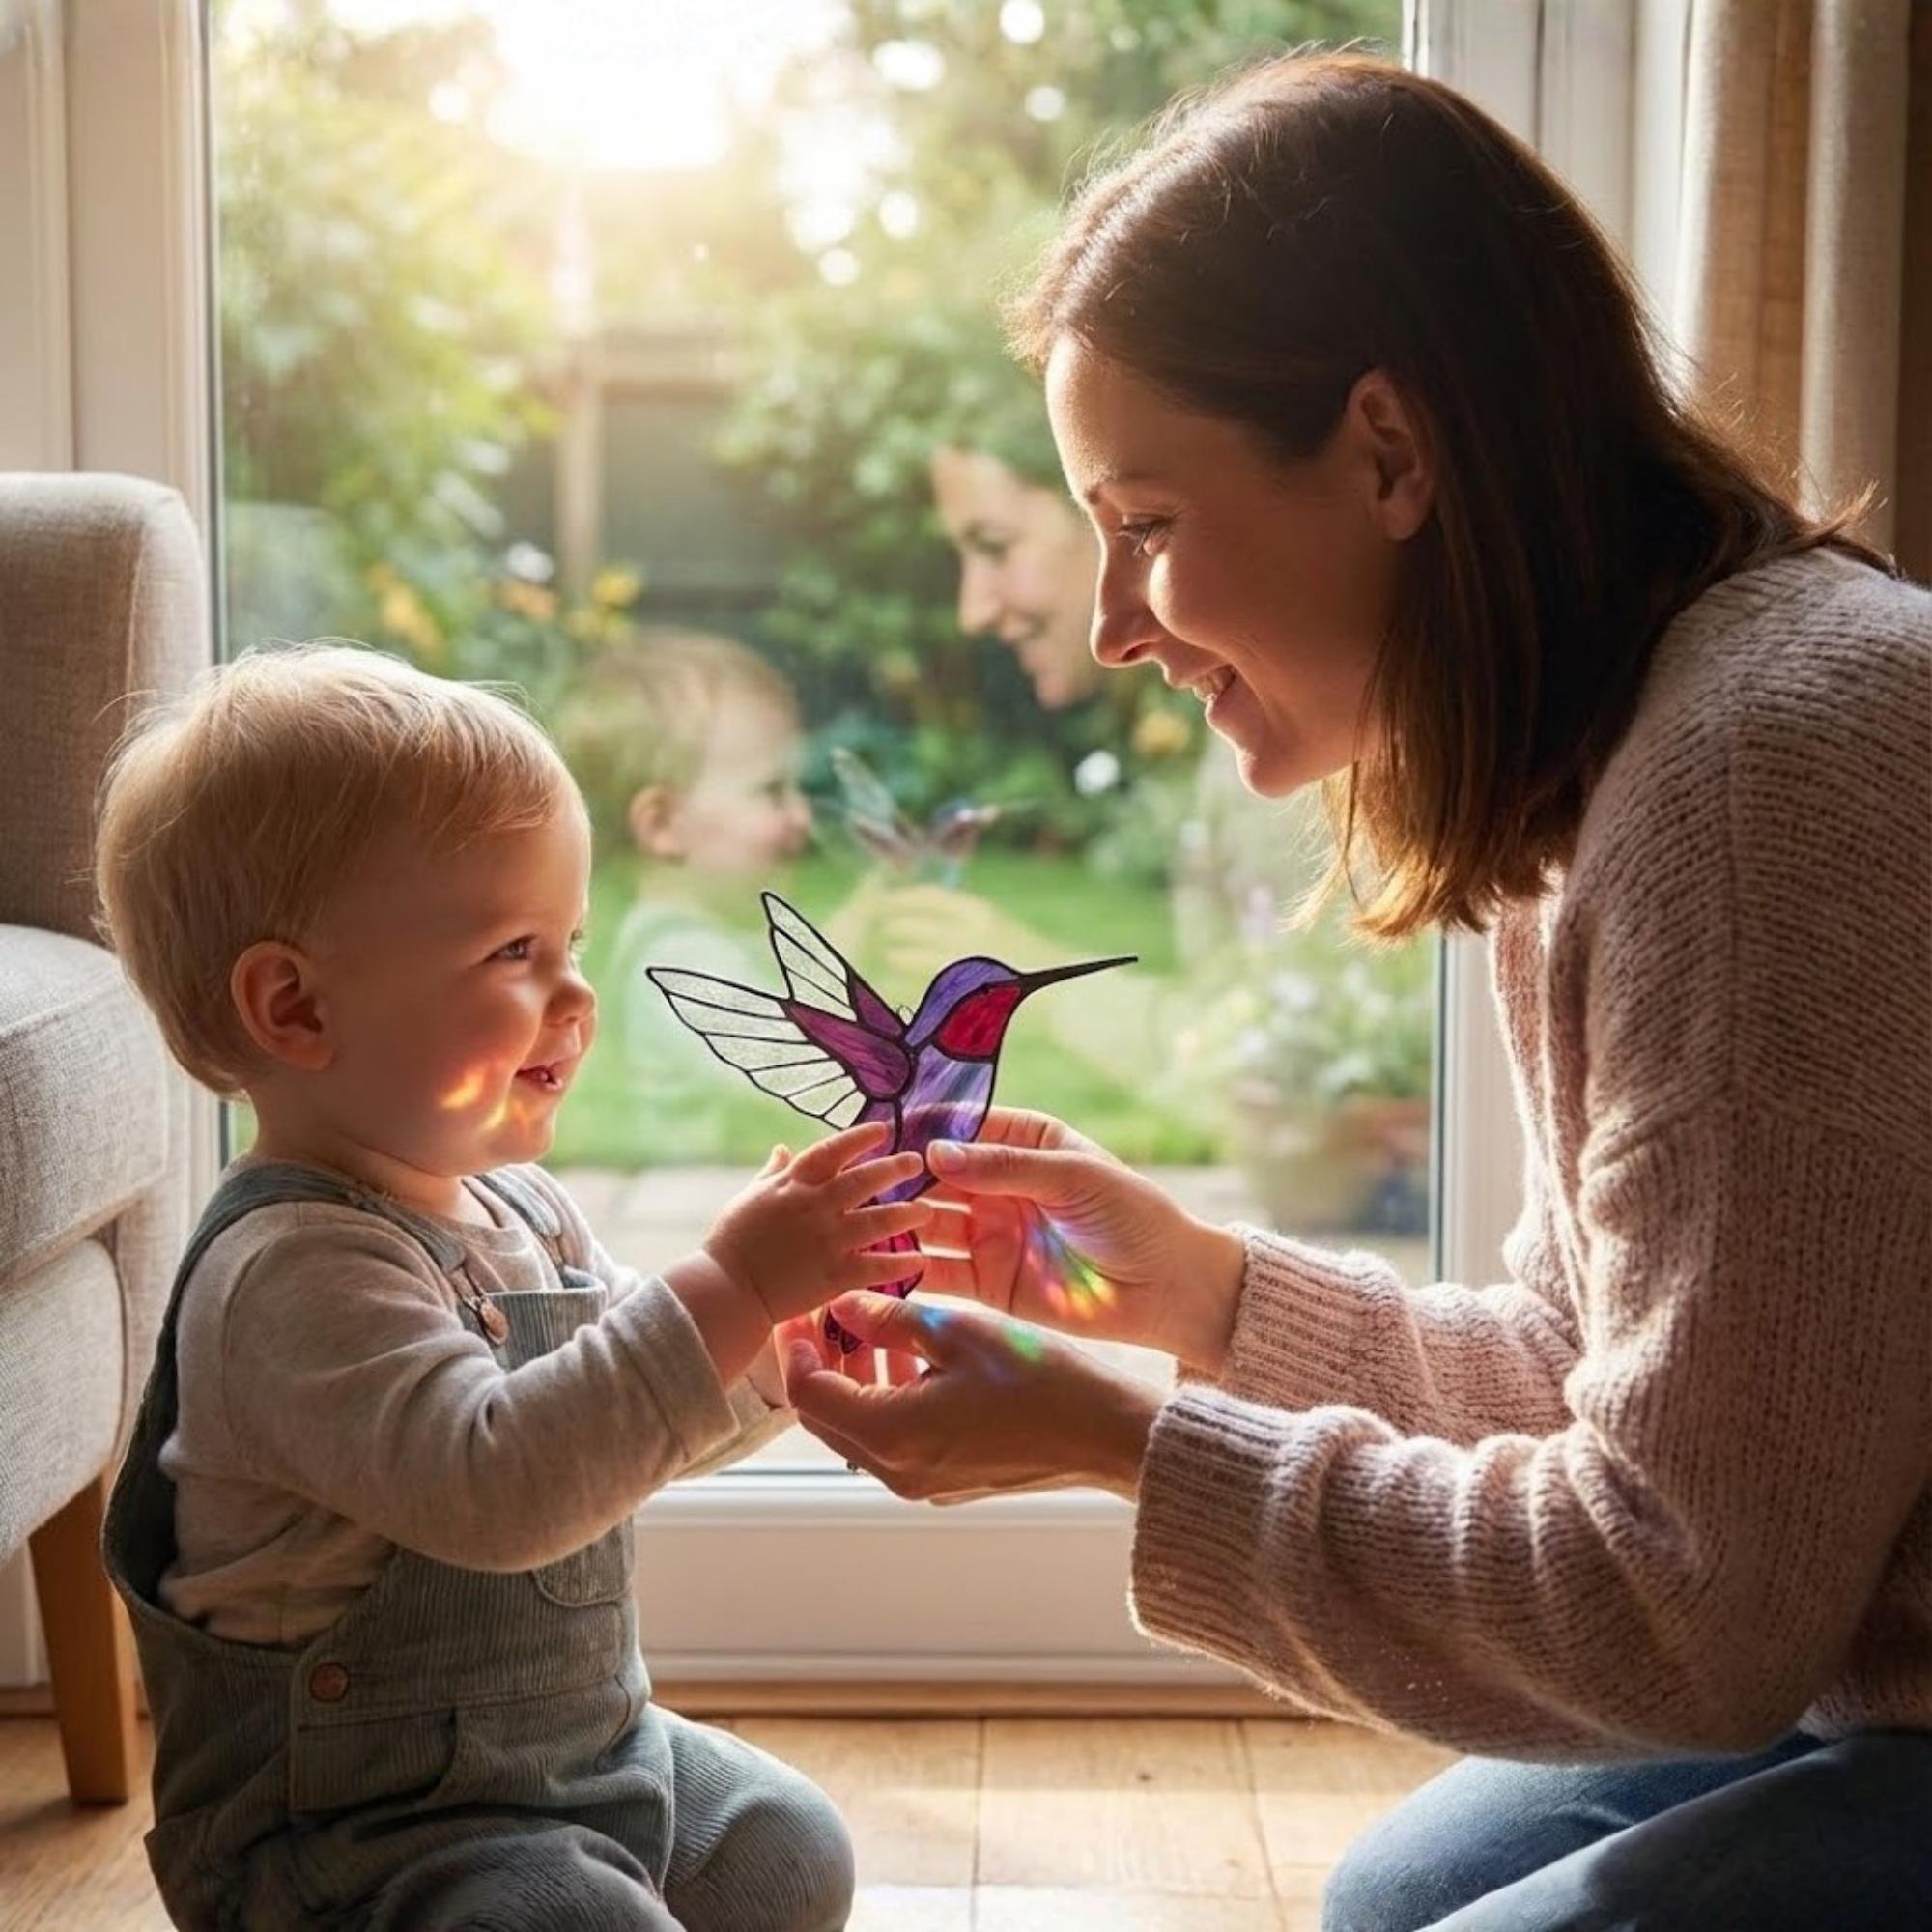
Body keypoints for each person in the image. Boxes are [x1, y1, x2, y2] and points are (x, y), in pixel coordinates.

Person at [783, 48, 1932, 1931]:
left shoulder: (1759, 775)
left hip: (1837, 1675)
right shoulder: (1625, 757)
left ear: (1391, 454)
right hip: (1848, 1669)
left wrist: (1112, 1441)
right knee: (1393, 1893)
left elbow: (1674, 1600)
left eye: (1144, 518)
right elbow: (1608, 1388)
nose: (1109, 623)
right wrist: (1186, 1290)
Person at [93, 641, 932, 1931]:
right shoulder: (290, 1275)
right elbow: (501, 1488)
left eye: (576, 940)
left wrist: (767, 1342)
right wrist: (724, 1282)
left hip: (570, 1762)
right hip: (356, 1838)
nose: (579, 994)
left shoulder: (517, 1209)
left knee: (785, 1851)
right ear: (295, 1009)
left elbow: (612, 1429)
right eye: (515, 951)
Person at [554, 627, 816, 1165]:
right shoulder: (681, 962)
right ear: (663, 825)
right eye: (772, 791)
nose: (802, 817)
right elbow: (807, 1080)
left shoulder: (692, 938)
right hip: (699, 1206)